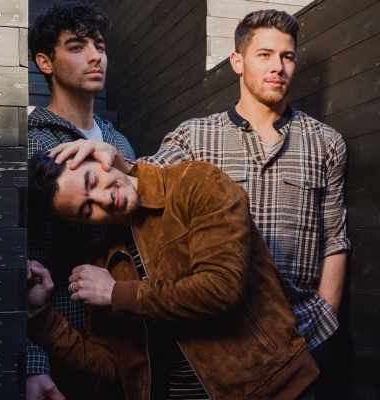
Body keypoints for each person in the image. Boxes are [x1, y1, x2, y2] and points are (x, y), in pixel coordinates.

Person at [50, 9, 350, 396]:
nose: (277, 66)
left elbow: (334, 238)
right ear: (237, 62)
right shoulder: (195, 137)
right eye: (264, 54)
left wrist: (325, 317)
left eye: (287, 56)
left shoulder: (326, 142)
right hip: (229, 335)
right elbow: (148, 186)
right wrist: (113, 160)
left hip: (304, 337)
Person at [27, 151, 319, 400]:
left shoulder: (196, 181)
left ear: (98, 158)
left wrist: (116, 292)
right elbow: (108, 373)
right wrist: (42, 318)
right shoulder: (102, 263)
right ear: (79, 223)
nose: (104, 199)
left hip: (272, 388)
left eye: (92, 181)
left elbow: (220, 290)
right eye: (86, 209)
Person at [27, 2, 135, 399]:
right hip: (68, 344)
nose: (95, 56)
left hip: (128, 333)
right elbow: (29, 265)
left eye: (99, 46)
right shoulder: (36, 143)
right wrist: (34, 364)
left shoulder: (118, 141)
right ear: (45, 62)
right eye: (77, 46)